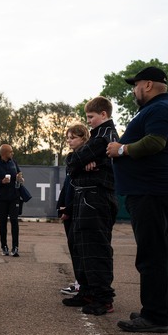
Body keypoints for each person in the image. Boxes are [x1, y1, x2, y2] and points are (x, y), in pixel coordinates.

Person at [107, 66, 168, 333]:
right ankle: (160, 311)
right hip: (151, 190)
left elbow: (155, 142)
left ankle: (155, 317)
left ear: (147, 85)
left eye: (135, 85)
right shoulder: (158, 108)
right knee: (158, 255)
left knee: (151, 257)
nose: (134, 90)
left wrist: (121, 149)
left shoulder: (159, 109)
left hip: (151, 191)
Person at [61, 96, 118, 316]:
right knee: (80, 247)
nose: (89, 121)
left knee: (95, 249)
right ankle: (87, 291)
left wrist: (79, 161)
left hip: (96, 200)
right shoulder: (98, 138)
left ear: (103, 114)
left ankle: (103, 298)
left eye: (91, 117)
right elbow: (72, 163)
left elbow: (75, 161)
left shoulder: (105, 136)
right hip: (84, 199)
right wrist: (79, 161)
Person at [57, 124, 90, 295]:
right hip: (69, 207)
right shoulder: (73, 159)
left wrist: (69, 208)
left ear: (84, 138)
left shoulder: (85, 159)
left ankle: (82, 284)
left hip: (78, 209)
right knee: (73, 245)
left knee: (79, 247)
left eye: (73, 137)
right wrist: (62, 206)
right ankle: (79, 282)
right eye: (68, 138)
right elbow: (67, 186)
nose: (69, 141)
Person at [0, 144, 24, 257]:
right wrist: (1, 182)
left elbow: (19, 176)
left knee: (14, 220)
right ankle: (4, 246)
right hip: (1, 198)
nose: (12, 153)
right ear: (4, 153)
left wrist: (20, 179)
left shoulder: (14, 163)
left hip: (14, 197)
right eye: (10, 152)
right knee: (2, 223)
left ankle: (15, 247)